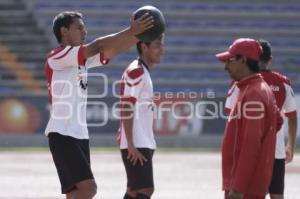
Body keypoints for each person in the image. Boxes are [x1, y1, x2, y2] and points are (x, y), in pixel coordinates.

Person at [44, 11, 154, 199]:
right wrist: (130, 30)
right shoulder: (57, 56)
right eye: (79, 27)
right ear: (64, 31)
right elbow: (98, 46)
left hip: (78, 134)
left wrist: (137, 35)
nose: (84, 31)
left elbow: (111, 50)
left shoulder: (80, 60)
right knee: (89, 189)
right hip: (62, 133)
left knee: (76, 193)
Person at [224, 39, 298, 199]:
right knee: (277, 195)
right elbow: (291, 116)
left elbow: (230, 113)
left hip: (250, 155)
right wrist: (290, 145)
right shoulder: (282, 83)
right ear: (270, 60)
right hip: (276, 151)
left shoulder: (241, 83)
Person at [118, 34, 165, 199]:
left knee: (134, 190)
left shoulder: (142, 70)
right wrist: (130, 143)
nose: (162, 50)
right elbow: (126, 106)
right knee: (145, 189)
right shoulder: (136, 71)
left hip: (141, 140)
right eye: (157, 45)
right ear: (144, 47)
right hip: (136, 142)